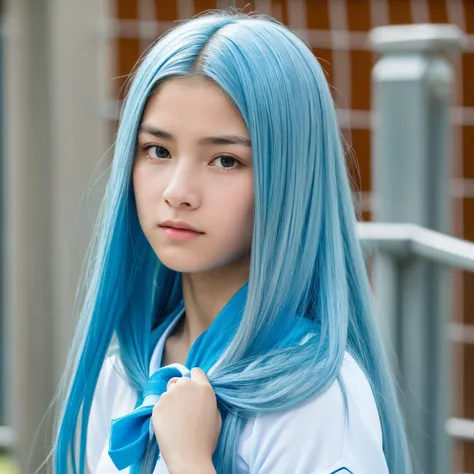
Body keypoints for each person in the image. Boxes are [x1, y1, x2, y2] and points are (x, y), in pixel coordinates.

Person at [51, 10, 412, 474]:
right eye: (157, 150)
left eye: (224, 160)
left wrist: (190, 459)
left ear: (290, 178)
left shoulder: (313, 397)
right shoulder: (123, 375)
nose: (177, 192)